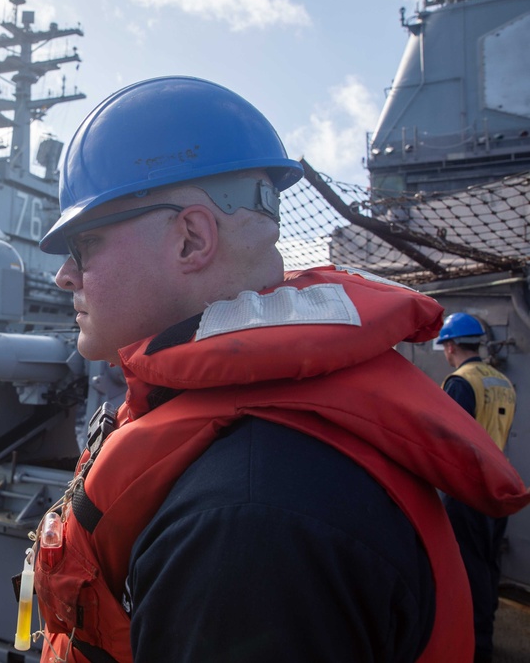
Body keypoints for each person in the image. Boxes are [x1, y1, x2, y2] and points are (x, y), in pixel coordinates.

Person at [28, 76, 530, 663]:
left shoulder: (244, 529)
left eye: (83, 246)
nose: (65, 276)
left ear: (191, 239)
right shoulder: (269, 441)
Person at [436, 312, 517, 663]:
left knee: (468, 570)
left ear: (451, 345)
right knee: (487, 564)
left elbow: (451, 440)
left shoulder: (461, 381)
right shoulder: (502, 381)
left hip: (467, 489)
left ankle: (476, 646)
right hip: (498, 486)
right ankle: (486, 633)